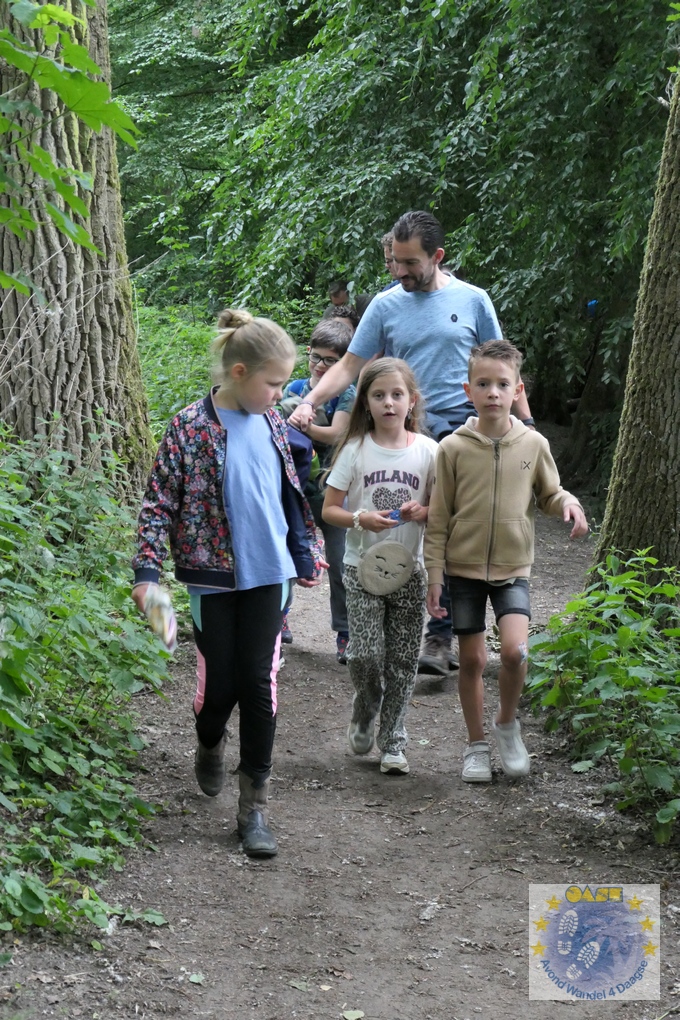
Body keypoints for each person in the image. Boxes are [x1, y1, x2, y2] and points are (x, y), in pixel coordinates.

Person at [290, 210, 535, 677]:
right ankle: (385, 625)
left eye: (409, 263)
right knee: (403, 523)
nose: (399, 271)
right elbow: (350, 365)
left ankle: (442, 636)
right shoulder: (385, 306)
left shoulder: (474, 300)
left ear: (436, 256)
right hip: (407, 432)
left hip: (465, 433)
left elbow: (503, 366)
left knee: (451, 527)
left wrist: (527, 423)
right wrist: (310, 401)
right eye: (395, 262)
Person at [131, 309, 325, 859]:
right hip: (211, 579)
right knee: (221, 687)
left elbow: (290, 494)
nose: (281, 395)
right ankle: (209, 740)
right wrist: (147, 573)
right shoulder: (189, 428)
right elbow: (158, 504)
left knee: (258, 685)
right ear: (239, 373)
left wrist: (305, 552)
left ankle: (253, 806)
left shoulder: (274, 425)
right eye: (274, 383)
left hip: (270, 576)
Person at [424, 340, 588, 783]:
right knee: (473, 661)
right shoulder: (451, 448)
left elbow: (550, 493)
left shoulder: (533, 443)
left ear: (517, 390)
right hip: (462, 570)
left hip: (514, 569)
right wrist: (435, 575)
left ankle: (506, 724)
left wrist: (569, 504)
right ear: (468, 390)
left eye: (502, 384)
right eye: (483, 384)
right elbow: (438, 517)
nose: (492, 392)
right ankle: (476, 745)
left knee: (516, 652)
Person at [323, 358, 438, 775]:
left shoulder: (430, 452)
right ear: (365, 403)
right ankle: (365, 706)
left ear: (412, 401)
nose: (388, 403)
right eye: (378, 395)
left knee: (403, 661)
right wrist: (360, 519)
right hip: (362, 570)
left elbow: (445, 510)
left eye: (396, 394)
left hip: (410, 572)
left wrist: (424, 511)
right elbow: (330, 509)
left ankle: (393, 742)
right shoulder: (355, 450)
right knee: (365, 655)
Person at [280, 319, 356, 662]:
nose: (321, 365)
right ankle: (279, 617)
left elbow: (338, 433)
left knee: (340, 563)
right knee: (286, 556)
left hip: (335, 492)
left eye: (331, 360)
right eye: (316, 357)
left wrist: (302, 422)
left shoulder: (347, 393)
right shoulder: (294, 387)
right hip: (296, 489)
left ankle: (345, 631)